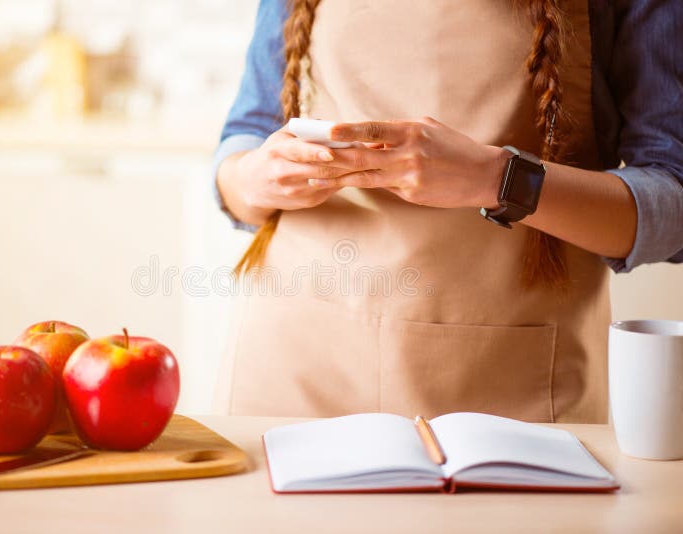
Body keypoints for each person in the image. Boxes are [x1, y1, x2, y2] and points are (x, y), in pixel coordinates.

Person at [212, 0, 683, 422]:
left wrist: (497, 179)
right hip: (293, 365)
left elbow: (673, 201)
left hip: (510, 391)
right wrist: (254, 178)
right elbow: (244, 139)